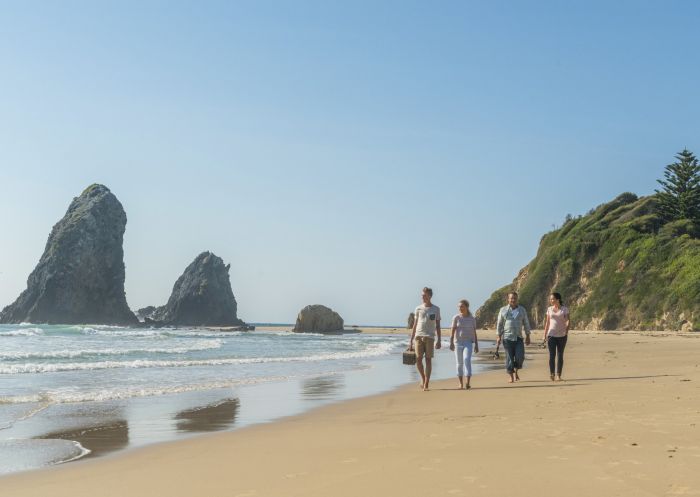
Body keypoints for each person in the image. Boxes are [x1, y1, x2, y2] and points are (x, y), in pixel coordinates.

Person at [408, 287, 441, 391]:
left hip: (430, 337)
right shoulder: (418, 308)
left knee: (428, 360)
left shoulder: (436, 309)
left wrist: (439, 340)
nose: (422, 296)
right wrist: (411, 339)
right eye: (422, 295)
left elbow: (438, 326)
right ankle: (423, 378)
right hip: (418, 336)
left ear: (430, 296)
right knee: (418, 360)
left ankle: (426, 383)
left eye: (425, 295)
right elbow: (415, 324)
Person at [496, 292, 531, 383]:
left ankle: (516, 370)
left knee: (520, 357)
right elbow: (499, 324)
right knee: (509, 358)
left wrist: (528, 335)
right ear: (508, 299)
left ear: (517, 299)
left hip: (519, 337)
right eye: (511, 298)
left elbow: (526, 323)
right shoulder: (503, 310)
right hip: (507, 338)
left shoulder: (522, 310)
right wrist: (498, 336)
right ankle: (511, 376)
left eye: (515, 298)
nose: (513, 300)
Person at [449, 299, 479, 389]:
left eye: (462, 306)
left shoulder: (472, 319)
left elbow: (474, 332)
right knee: (459, 363)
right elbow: (452, 330)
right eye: (459, 307)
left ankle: (468, 382)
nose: (460, 308)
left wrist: (476, 344)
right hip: (457, 342)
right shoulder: (456, 318)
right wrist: (451, 342)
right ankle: (460, 383)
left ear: (466, 307)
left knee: (467, 359)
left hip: (468, 342)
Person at [542, 292, 569, 381]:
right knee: (552, 355)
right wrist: (544, 335)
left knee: (560, 355)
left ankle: (559, 375)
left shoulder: (564, 309)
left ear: (558, 299)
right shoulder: (549, 309)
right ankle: (552, 374)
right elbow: (547, 323)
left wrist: (566, 330)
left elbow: (568, 320)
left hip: (562, 335)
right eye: (550, 299)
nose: (551, 300)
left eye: (552, 299)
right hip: (551, 335)